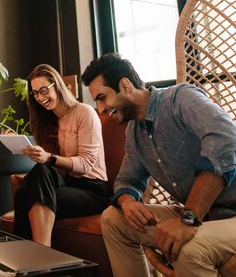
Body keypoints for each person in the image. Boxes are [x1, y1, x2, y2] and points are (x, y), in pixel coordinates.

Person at [81, 53, 236, 277]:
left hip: (222, 217)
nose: (101, 108)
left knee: (188, 248)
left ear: (124, 85)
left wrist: (188, 219)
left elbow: (226, 139)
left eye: (102, 97)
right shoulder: (135, 133)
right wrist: (128, 202)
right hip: (204, 218)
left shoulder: (180, 99)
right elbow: (126, 180)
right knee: (112, 219)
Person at [13, 64, 109, 247]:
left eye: (43, 90)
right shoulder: (48, 121)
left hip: (93, 191)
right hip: (67, 184)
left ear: (56, 86)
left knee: (29, 191)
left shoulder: (84, 112)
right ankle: (26, 261)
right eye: (35, 94)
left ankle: (41, 256)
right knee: (28, 186)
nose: (40, 98)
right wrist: (28, 150)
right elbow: (51, 168)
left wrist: (48, 158)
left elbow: (86, 164)